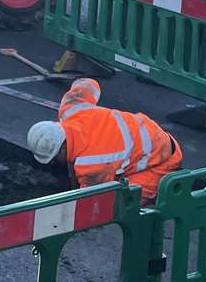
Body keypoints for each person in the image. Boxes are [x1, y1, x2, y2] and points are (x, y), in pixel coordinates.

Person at [26, 77, 183, 203]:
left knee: (121, 203)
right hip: (150, 134)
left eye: (54, 158)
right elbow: (88, 84)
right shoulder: (71, 110)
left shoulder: (92, 165)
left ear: (62, 148)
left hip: (162, 161)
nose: (55, 162)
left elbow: (90, 201)